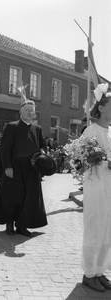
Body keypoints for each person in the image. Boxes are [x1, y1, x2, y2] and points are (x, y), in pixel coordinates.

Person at [0, 99, 47, 237]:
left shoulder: (37, 129)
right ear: (20, 112)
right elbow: (5, 148)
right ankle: (9, 223)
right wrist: (7, 166)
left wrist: (43, 154)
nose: (29, 112)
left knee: (28, 197)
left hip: (32, 169)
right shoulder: (11, 126)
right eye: (26, 110)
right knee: (12, 196)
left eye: (31, 110)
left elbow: (42, 146)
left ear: (34, 114)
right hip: (14, 169)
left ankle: (22, 225)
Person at [80, 83, 111, 293]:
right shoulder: (91, 130)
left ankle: (100, 270)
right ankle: (89, 274)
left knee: (107, 230)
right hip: (96, 186)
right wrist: (100, 160)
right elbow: (81, 159)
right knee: (95, 228)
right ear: (101, 108)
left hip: (109, 187)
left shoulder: (110, 131)